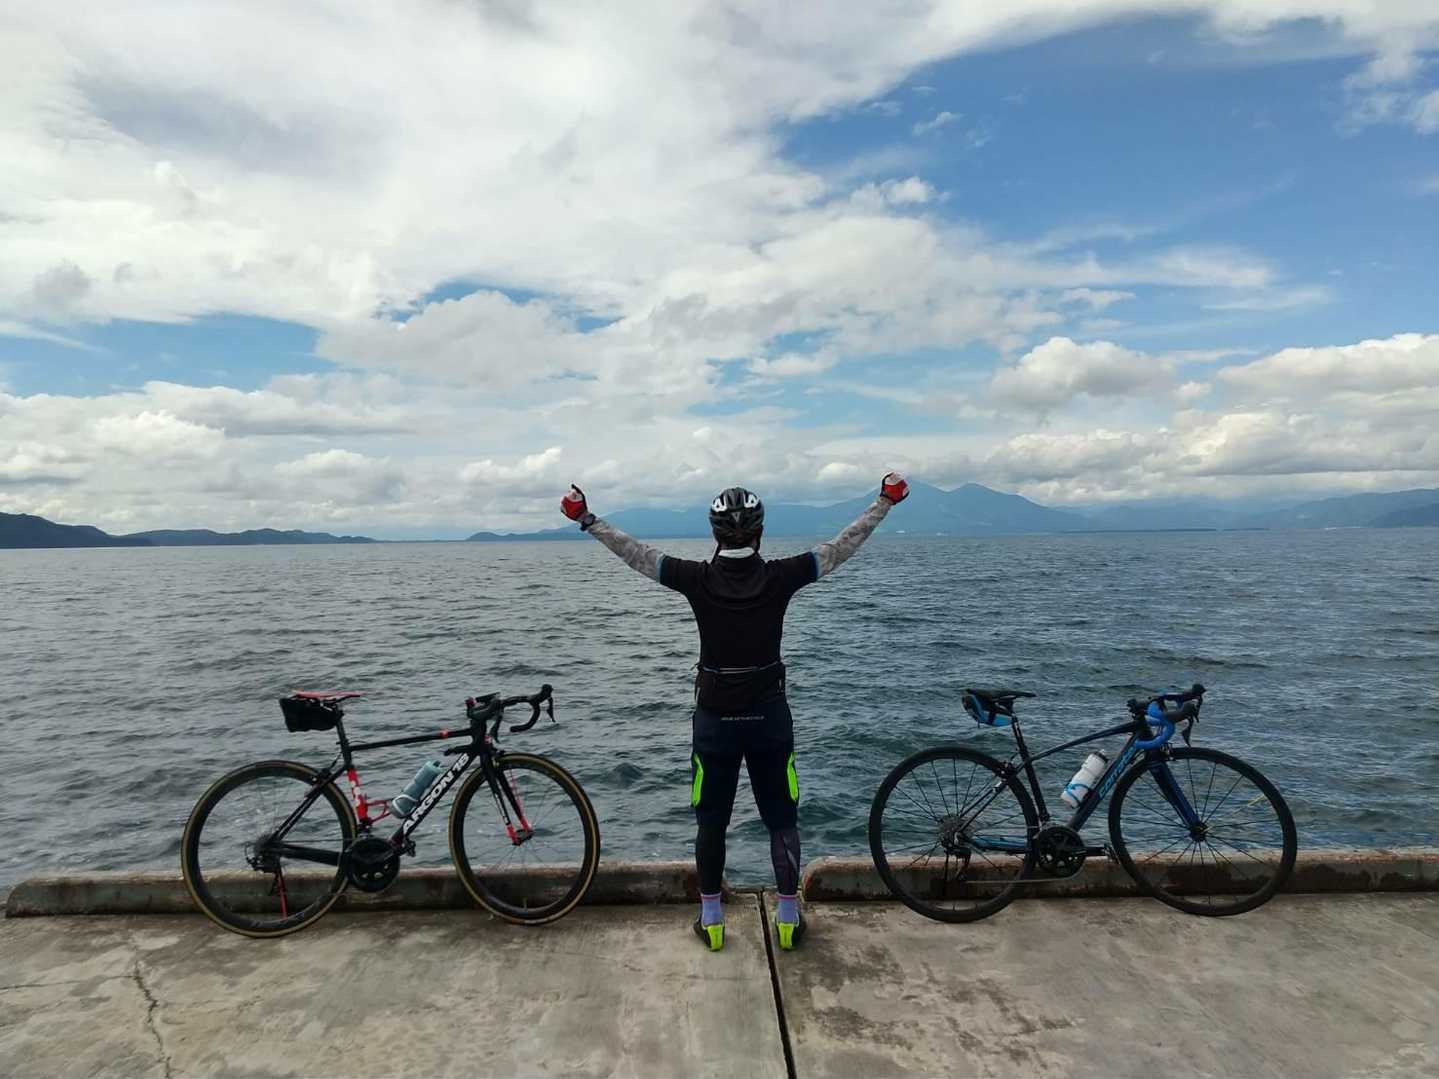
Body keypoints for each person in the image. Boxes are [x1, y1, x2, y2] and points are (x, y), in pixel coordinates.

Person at [558, 473, 909, 952]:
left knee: (711, 822)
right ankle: (788, 919)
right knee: (782, 819)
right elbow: (842, 547)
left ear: (714, 533)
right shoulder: (782, 576)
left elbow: (636, 553)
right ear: (759, 533)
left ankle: (712, 921)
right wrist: (884, 502)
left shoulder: (696, 579)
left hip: (715, 722)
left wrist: (587, 518)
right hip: (769, 719)